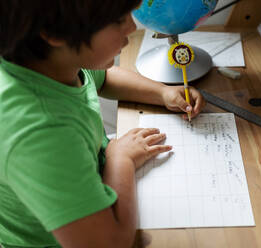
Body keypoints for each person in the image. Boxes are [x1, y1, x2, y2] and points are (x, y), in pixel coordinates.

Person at [0, 1, 205, 247]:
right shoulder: (40, 133)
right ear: (55, 33)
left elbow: (102, 78)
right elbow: (109, 243)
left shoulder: (50, 63)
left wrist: (161, 93)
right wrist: (120, 159)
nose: (132, 26)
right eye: (119, 20)